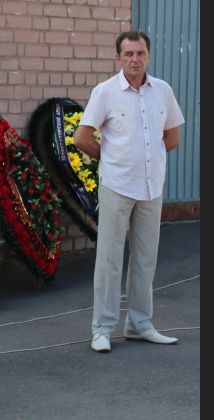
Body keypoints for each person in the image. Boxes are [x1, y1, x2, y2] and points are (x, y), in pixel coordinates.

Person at [73, 31, 185, 353]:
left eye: (140, 53)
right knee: (109, 259)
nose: (134, 59)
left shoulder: (163, 91)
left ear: (148, 55)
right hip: (117, 186)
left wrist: (148, 159)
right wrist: (111, 158)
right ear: (118, 57)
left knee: (146, 258)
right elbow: (81, 137)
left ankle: (140, 325)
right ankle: (102, 329)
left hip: (151, 187)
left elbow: (173, 138)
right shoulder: (105, 92)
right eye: (128, 54)